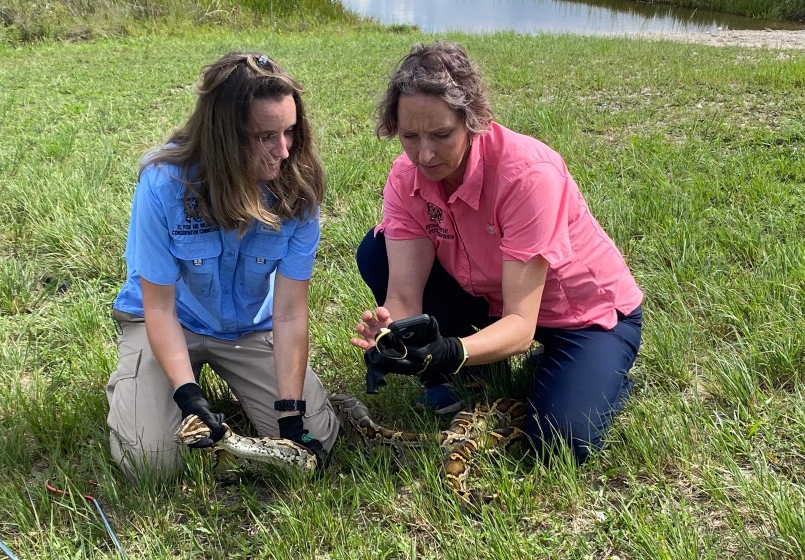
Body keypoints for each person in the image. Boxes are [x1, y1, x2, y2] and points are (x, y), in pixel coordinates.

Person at [351, 42, 643, 464]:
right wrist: (393, 336)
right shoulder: (406, 178)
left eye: (441, 135)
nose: (424, 154)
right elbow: (403, 296)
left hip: (582, 317)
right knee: (376, 252)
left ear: (474, 121)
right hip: (492, 299)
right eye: (409, 136)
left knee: (559, 444)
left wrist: (451, 350)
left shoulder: (526, 175)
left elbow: (522, 325)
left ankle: (600, 373)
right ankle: (467, 378)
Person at [107, 51, 338, 479]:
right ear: (222, 134)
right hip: (171, 319)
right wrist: (188, 396)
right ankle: (147, 384)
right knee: (149, 462)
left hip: (249, 325)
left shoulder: (299, 190)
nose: (283, 151)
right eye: (265, 136)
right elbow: (158, 307)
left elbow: (289, 310)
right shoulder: (163, 184)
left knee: (314, 439)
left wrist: (290, 415)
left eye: (289, 132)